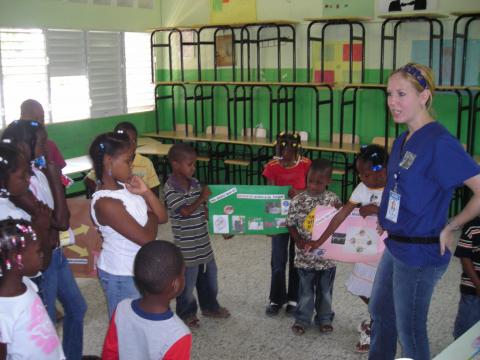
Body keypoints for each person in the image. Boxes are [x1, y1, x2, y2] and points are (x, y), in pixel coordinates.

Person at [367, 63, 480, 360]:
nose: (392, 101)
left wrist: (452, 225)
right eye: (389, 94)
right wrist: (386, 217)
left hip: (420, 254)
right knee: (380, 311)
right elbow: (400, 187)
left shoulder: (440, 143)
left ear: (424, 96)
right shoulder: (403, 139)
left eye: (401, 94)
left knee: (411, 332)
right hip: (396, 243)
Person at [2, 120, 87, 360]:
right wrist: (54, 173)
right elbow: (59, 220)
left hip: (54, 252)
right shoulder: (19, 188)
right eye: (40, 142)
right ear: (22, 144)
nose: (45, 146)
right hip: (39, 260)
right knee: (44, 320)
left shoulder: (34, 174)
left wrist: (50, 174)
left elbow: (60, 220)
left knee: (77, 308)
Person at [314, 144, 388, 352]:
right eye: (359, 174)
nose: (362, 178)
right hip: (366, 250)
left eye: (365, 174)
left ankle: (376, 324)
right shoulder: (362, 188)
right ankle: (378, 318)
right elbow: (341, 215)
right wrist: (319, 240)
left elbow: (402, 215)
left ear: (381, 170)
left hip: (391, 250)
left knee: (384, 290)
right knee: (362, 288)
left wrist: (375, 209)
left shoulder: (395, 186)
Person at [89, 132, 168, 318]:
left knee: (140, 326)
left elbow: (163, 217)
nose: (131, 166)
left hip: (141, 268)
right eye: (127, 161)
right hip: (122, 275)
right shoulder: (105, 202)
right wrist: (150, 213)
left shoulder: (126, 187)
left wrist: (147, 192)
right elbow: (147, 239)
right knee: (125, 333)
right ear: (109, 161)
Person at [164, 143, 230, 328]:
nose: (193, 168)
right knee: (186, 286)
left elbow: (205, 210)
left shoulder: (194, 184)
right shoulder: (170, 188)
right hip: (186, 250)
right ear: (176, 164)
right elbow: (184, 211)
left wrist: (223, 227)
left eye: (194, 164)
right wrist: (202, 197)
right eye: (190, 164)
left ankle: (210, 306)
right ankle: (186, 314)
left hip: (203, 244)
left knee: (210, 280)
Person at [102, 240, 191, 359]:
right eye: (183, 273)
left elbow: (110, 354)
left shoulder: (121, 308)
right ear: (176, 284)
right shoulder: (178, 334)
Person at [286, 158, 340, 335]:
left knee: (325, 291)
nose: (313, 186)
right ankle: (302, 319)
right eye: (310, 181)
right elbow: (290, 223)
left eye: (319, 182)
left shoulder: (333, 200)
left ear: (328, 182)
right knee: (306, 291)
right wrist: (298, 240)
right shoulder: (298, 200)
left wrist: (341, 210)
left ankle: (324, 318)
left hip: (327, 259)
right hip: (305, 257)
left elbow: (340, 224)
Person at [0, 218, 65, 359]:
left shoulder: (26, 282)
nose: (42, 254)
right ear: (16, 258)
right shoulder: (4, 310)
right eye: (38, 251)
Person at [263, 132, 311, 316]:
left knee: (296, 259)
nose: (286, 155)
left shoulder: (306, 165)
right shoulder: (272, 167)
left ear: (297, 149)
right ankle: (276, 299)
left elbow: (313, 188)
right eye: (282, 150)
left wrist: (299, 191)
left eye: (290, 151)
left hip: (299, 219)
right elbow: (269, 194)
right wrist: (268, 222)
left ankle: (293, 299)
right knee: (277, 260)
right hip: (279, 219)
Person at [84, 122, 160, 197]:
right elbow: (88, 179)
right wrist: (101, 190)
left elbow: (155, 189)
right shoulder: (110, 166)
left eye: (134, 141)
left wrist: (147, 196)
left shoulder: (146, 163)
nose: (132, 145)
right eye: (127, 142)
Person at [452, 217, 480, 339]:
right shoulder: (473, 226)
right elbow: (465, 258)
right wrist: (478, 284)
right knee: (465, 331)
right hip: (473, 290)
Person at [20, 99, 66, 171]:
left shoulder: (50, 145)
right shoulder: (15, 148)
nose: (40, 124)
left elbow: (58, 174)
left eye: (42, 119)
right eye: (35, 119)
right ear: (22, 119)